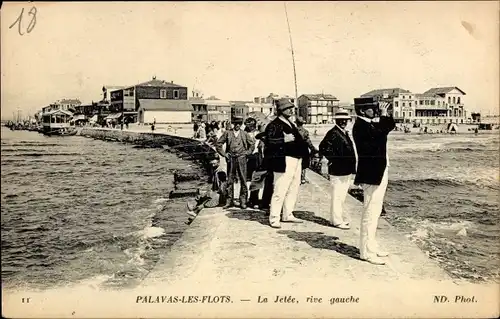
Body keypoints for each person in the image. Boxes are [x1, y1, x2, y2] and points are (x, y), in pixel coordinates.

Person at [352, 99, 395, 265]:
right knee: (370, 211)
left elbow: (386, 128)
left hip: (377, 171)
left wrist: (386, 116)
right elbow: (380, 133)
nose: (375, 110)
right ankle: (366, 252)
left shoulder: (368, 124)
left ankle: (372, 245)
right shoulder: (361, 126)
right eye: (372, 108)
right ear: (363, 111)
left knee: (375, 210)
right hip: (371, 174)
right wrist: (384, 115)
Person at [264, 98, 309, 228]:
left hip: (296, 159)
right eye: (288, 108)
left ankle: (288, 214)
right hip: (284, 160)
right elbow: (269, 141)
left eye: (291, 108)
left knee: (293, 188)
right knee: (280, 189)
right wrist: (284, 139)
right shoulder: (274, 124)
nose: (291, 110)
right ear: (281, 111)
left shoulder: (290, 123)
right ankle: (274, 218)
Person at [319, 108, 357, 230]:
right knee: (338, 196)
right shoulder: (334, 133)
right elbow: (323, 147)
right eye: (340, 120)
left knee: (341, 196)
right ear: (337, 121)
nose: (343, 122)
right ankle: (336, 221)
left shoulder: (342, 132)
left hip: (344, 169)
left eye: (345, 120)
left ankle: (335, 218)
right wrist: (335, 159)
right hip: (338, 169)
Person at [215, 116, 254, 209]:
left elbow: (252, 144)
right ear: (233, 124)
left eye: (239, 124)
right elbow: (218, 144)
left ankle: (243, 201)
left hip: (242, 158)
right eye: (236, 124)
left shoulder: (244, 134)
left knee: (243, 180)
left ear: (241, 124)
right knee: (230, 180)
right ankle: (229, 201)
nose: (237, 125)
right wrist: (224, 154)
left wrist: (247, 153)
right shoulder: (227, 133)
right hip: (231, 159)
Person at [244, 117, 263, 208]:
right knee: (246, 179)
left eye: (252, 126)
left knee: (256, 178)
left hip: (256, 157)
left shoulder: (259, 134)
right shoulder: (244, 134)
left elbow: (261, 146)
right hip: (247, 157)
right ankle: (246, 199)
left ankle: (254, 199)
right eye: (249, 126)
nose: (251, 127)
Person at [295, 116, 318, 184]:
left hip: (295, 150)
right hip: (304, 150)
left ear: (296, 123)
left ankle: (297, 178)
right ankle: (302, 178)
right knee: (303, 165)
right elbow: (308, 142)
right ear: (303, 123)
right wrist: (313, 149)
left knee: (296, 165)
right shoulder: (305, 132)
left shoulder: (293, 130)